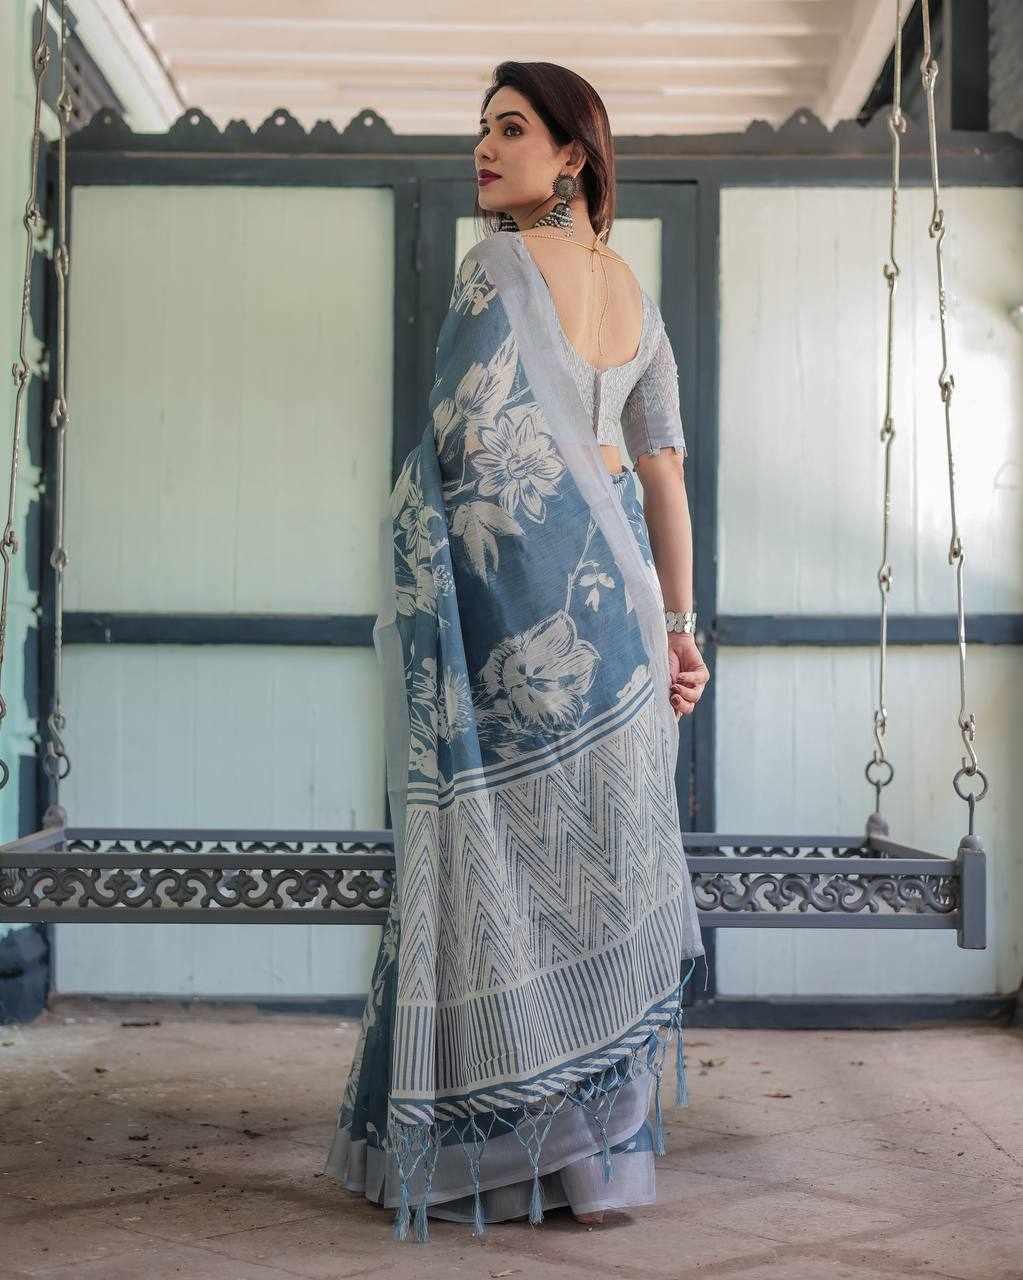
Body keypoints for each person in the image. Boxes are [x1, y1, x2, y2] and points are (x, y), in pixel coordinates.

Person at [324, 60, 710, 1243]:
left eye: (510, 128)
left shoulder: (492, 269)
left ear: (572, 155)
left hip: (525, 614)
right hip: (622, 616)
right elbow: (662, 476)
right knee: (599, 871)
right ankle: (595, 1171)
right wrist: (682, 627)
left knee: (505, 874)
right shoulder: (635, 294)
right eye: (481, 130)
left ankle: (492, 1163)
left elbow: (466, 452)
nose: (483, 150)